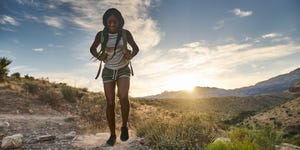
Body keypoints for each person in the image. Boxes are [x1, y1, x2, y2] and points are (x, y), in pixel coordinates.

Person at [90, 8, 139, 146]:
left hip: (123, 69)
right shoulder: (101, 34)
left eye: (115, 21)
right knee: (110, 103)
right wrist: (99, 56)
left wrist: (131, 55)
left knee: (123, 97)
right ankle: (112, 134)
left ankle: (124, 126)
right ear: (105, 22)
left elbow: (136, 48)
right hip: (108, 71)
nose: (112, 24)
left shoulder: (125, 33)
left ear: (119, 22)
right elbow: (92, 48)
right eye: (109, 22)